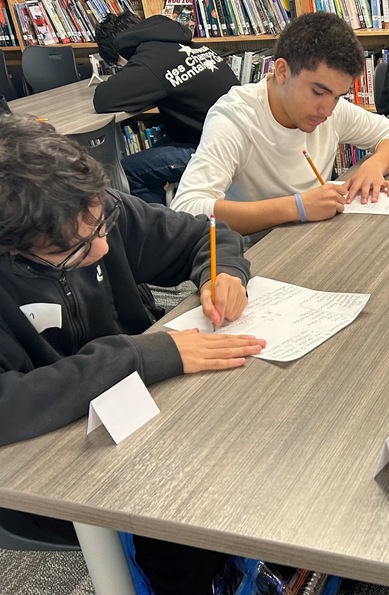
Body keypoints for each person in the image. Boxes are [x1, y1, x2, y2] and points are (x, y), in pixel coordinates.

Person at [0, 114, 266, 593]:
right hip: (49, 454)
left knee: (250, 438)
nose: (103, 247)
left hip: (145, 408)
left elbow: (205, 235)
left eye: (101, 223)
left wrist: (221, 273)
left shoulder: (88, 209)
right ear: (14, 248)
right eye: (77, 248)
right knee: (180, 514)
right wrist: (137, 357)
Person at [170, 12, 389, 237]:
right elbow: (188, 210)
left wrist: (373, 166)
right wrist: (296, 207)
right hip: (257, 253)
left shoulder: (332, 109)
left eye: (338, 97)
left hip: (313, 238)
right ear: (282, 71)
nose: (328, 111)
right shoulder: (235, 118)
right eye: (318, 92)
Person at [93, 12, 240, 205]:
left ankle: (166, 229)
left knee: (124, 173)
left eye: (119, 66)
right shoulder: (183, 43)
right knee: (153, 151)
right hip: (234, 139)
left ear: (121, 53)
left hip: (213, 150)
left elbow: (103, 99)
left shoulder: (150, 60)